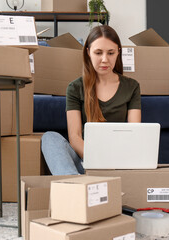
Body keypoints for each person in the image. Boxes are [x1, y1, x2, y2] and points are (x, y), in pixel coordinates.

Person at [41, 25, 141, 175]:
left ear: (118, 53)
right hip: (85, 160)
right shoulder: (75, 88)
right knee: (49, 138)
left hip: (118, 164)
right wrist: (97, 160)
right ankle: (76, 186)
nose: (104, 59)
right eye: (98, 53)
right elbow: (74, 137)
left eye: (111, 53)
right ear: (88, 52)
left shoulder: (132, 86)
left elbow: (135, 133)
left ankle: (83, 187)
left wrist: (114, 164)